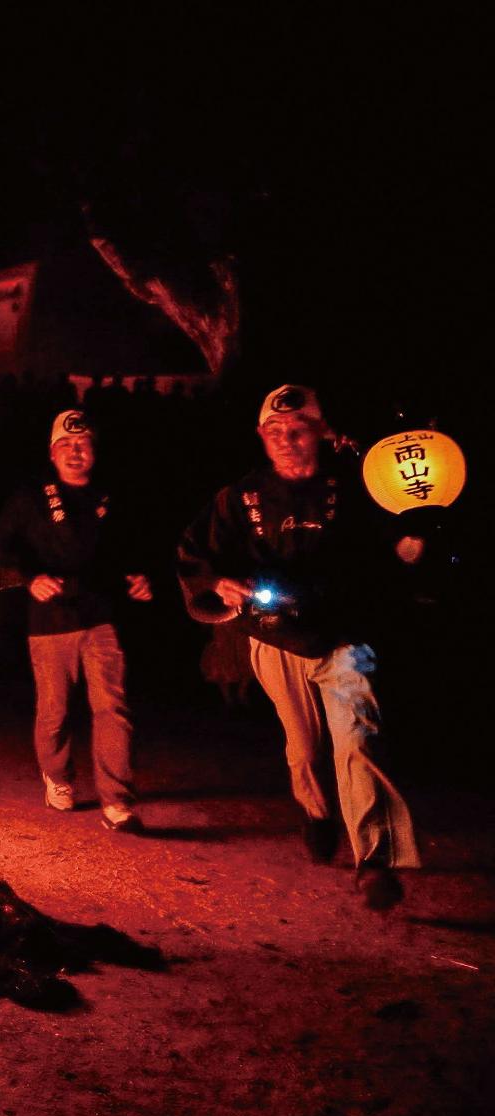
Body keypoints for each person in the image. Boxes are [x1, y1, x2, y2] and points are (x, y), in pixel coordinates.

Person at [177, 384, 423, 911]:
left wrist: (410, 546)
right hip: (275, 637)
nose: (286, 440)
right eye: (275, 433)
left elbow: (396, 545)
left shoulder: (359, 489)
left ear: (321, 432)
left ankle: (374, 861)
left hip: (344, 635)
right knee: (304, 749)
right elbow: (197, 555)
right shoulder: (239, 497)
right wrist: (220, 583)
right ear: (261, 439)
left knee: (357, 740)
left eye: (298, 430)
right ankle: (315, 811)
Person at [0, 410, 153, 833]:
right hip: (50, 620)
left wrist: (139, 576)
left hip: (101, 615)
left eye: (83, 444)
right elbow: (1, 548)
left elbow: (133, 547)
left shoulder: (112, 498)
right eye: (66, 445)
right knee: (54, 712)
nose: (75, 452)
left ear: (94, 451)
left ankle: (117, 800)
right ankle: (58, 779)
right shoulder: (31, 498)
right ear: (52, 452)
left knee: (113, 708)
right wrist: (30, 578)